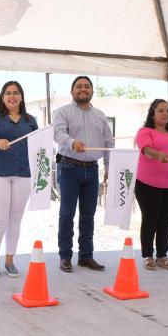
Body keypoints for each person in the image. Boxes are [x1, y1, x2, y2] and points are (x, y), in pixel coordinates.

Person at [53, 75, 113, 272]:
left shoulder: (101, 116)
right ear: (72, 91)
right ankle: (65, 256)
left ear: (92, 92)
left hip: (92, 170)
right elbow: (58, 133)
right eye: (79, 86)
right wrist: (72, 142)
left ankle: (86, 256)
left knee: (88, 215)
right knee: (67, 213)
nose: (83, 89)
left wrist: (109, 168)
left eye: (87, 87)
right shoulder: (62, 112)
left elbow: (108, 143)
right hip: (69, 168)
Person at [0, 81, 39, 278]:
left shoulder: (30, 120)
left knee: (15, 220)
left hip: (24, 173)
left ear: (21, 97)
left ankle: (10, 261)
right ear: (2, 97)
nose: (11, 96)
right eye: (7, 93)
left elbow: (39, 144)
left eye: (15, 93)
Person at [134, 99, 168, 271]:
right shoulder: (144, 131)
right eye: (161, 110)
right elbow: (146, 149)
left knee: (166, 221)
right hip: (148, 184)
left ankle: (162, 255)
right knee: (150, 220)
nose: (165, 113)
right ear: (152, 113)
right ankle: (147, 255)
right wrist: (157, 155)